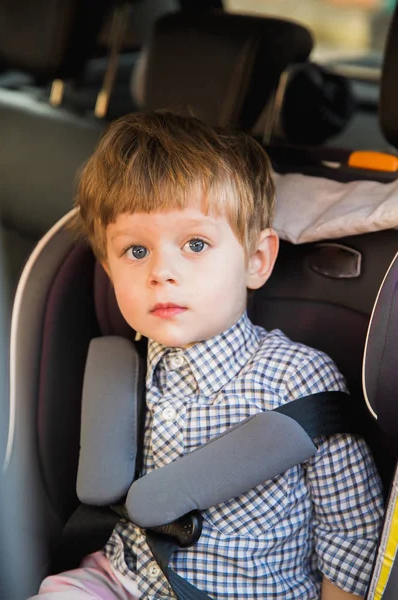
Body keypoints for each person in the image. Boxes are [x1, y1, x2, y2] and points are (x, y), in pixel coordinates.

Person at [31, 110, 384, 600]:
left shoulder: (298, 380)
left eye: (195, 243)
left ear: (256, 261)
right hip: (121, 580)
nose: (162, 272)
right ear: (109, 270)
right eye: (136, 251)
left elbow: (352, 533)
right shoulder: (129, 372)